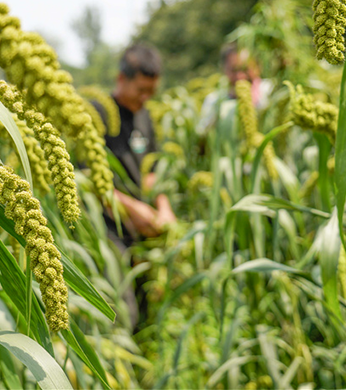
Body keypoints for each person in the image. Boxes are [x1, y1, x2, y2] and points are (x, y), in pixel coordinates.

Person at [90, 43, 176, 330]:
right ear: (120, 79)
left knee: (147, 304)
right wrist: (133, 208)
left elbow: (149, 171)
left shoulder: (145, 116)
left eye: (151, 91)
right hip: (108, 229)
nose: (145, 97)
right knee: (122, 310)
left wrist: (163, 208)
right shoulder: (97, 113)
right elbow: (87, 179)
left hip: (142, 229)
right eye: (140, 90)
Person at [196, 43, 272, 137]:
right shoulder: (214, 102)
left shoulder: (271, 91)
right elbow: (201, 138)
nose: (240, 77)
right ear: (223, 70)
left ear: (258, 67)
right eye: (234, 70)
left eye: (245, 69)